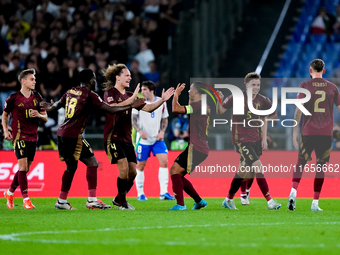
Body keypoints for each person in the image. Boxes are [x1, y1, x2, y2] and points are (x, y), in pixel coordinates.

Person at [41, 68, 145, 210]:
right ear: (91, 80)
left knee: (71, 167)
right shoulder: (90, 95)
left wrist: (49, 107)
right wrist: (131, 105)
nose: (95, 81)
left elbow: (56, 105)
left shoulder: (71, 91)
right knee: (93, 163)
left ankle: (61, 200)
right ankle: (91, 200)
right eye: (94, 78)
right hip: (73, 134)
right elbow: (111, 110)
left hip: (62, 133)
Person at [102, 63, 174, 210]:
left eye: (130, 75)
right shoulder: (110, 93)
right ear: (118, 77)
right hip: (113, 137)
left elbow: (148, 108)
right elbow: (113, 108)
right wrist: (132, 100)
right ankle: (123, 203)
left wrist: (162, 100)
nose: (130, 77)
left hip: (126, 139)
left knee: (133, 172)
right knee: (123, 169)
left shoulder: (130, 96)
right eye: (127, 75)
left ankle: (118, 198)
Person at [216, 72, 281, 210]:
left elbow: (272, 117)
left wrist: (264, 138)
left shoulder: (263, 101)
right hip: (241, 139)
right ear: (246, 85)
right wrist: (218, 100)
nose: (256, 87)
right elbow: (220, 111)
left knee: (244, 171)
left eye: (258, 85)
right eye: (253, 84)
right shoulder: (237, 97)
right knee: (258, 166)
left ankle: (228, 199)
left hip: (256, 139)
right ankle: (270, 201)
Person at [289, 59, 340, 211]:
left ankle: (293, 192)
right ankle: (315, 203)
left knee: (300, 164)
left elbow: (298, 110)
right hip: (325, 134)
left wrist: (294, 131)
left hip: (308, 132)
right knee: (320, 167)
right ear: (323, 71)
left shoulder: (304, 86)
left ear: (310, 71)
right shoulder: (333, 87)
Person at [2, 68, 47, 210]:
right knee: (22, 167)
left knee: (26, 168)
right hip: (19, 136)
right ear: (23, 81)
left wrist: (39, 115)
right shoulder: (13, 98)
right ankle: (26, 199)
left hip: (33, 136)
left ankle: (9, 192)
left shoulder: (37, 98)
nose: (35, 81)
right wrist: (5, 130)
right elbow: (4, 115)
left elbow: (45, 117)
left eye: (34, 79)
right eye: (32, 79)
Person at [168, 82, 209, 211]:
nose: (189, 92)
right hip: (200, 147)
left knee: (175, 171)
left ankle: (180, 205)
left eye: (190, 90)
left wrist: (176, 95)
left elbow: (176, 109)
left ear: (197, 92)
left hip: (196, 147)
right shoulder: (205, 106)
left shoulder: (197, 106)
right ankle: (199, 201)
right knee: (178, 174)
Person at [132, 80, 174, 201]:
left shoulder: (161, 101)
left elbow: (165, 119)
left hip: (157, 139)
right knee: (141, 165)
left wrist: (162, 132)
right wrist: (140, 130)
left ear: (151, 91)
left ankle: (164, 192)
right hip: (143, 139)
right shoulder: (138, 102)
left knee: (164, 162)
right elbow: (133, 119)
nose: (142, 92)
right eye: (141, 90)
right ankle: (140, 193)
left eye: (144, 90)